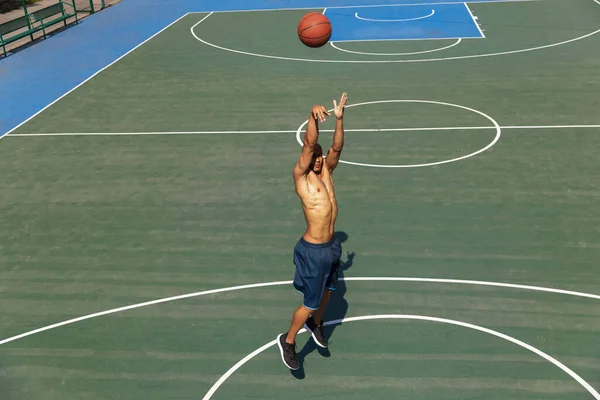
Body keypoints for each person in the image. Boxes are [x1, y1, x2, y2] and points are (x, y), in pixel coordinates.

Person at [277, 92, 348, 370]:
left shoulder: (327, 172)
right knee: (310, 301)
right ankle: (289, 340)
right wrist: (312, 115)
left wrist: (339, 120)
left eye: (320, 156)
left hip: (331, 247)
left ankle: (315, 323)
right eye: (315, 156)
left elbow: (338, 148)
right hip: (313, 250)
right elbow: (310, 143)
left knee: (329, 290)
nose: (318, 158)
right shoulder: (301, 178)